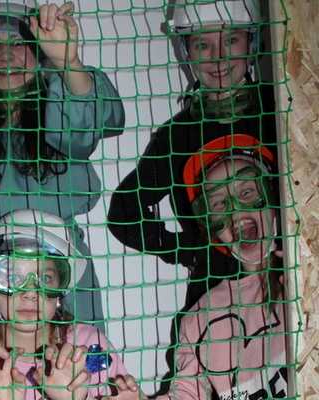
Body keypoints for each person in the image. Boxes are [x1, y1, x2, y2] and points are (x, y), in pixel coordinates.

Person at [0, 0, 125, 329]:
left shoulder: (59, 104)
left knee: (75, 358)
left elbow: (100, 121)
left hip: (63, 274)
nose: (6, 56)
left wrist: (68, 63)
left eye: (18, 43)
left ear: (38, 53)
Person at [107, 0, 277, 310]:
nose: (218, 56)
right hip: (215, 301)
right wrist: (190, 250)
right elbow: (123, 211)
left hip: (292, 281)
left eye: (231, 40)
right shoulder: (178, 135)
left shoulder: (280, 105)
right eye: (203, 45)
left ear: (252, 43)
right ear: (187, 52)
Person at [109, 134, 288, 398]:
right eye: (219, 203)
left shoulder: (303, 278)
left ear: (272, 196)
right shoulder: (201, 318)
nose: (234, 210)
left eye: (247, 192)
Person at [0, 209, 136, 400]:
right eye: (12, 277)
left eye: (45, 278)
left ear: (61, 290)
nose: (30, 293)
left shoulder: (91, 348)